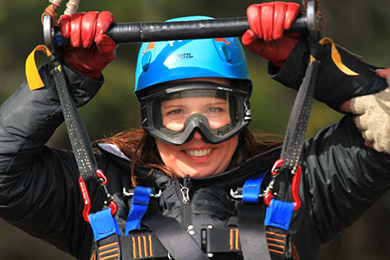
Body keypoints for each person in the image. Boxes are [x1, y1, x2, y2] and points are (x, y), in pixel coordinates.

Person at [0, 2, 389, 260]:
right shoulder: (102, 192)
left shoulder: (298, 186)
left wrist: (307, 60)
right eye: (175, 113)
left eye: (215, 110)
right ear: (149, 120)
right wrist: (64, 78)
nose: (195, 132)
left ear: (242, 113)